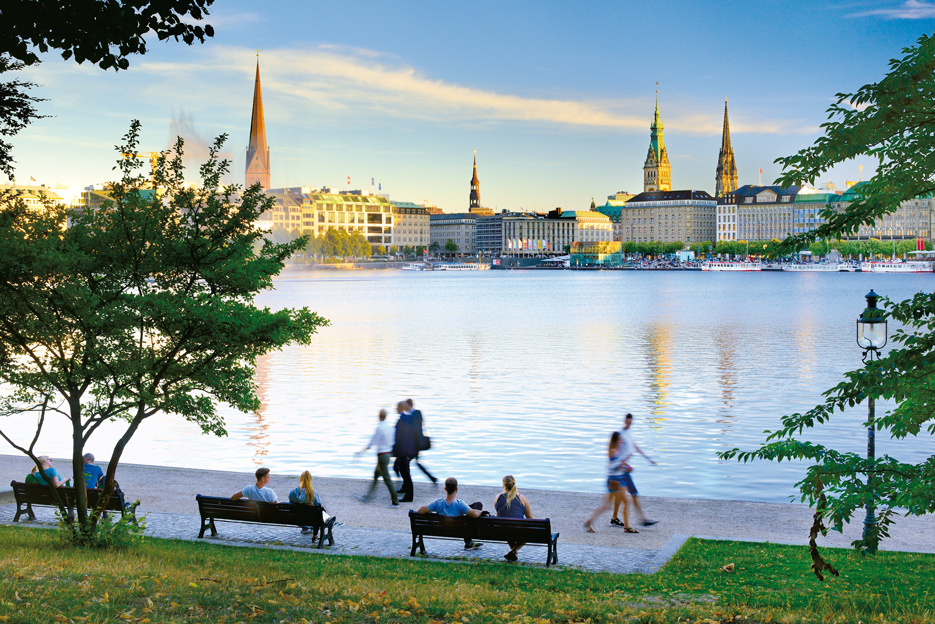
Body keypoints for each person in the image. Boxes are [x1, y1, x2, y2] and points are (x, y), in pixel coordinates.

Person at [584, 432, 637, 533]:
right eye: (619, 440)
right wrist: (624, 465)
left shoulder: (617, 450)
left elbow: (620, 462)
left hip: (618, 479)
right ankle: (627, 527)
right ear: (616, 440)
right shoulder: (612, 451)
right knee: (624, 501)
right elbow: (614, 467)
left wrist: (627, 465)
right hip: (614, 480)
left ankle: (589, 521)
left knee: (608, 505)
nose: (621, 441)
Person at [612, 413, 657, 527]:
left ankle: (615, 518)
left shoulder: (629, 434)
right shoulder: (620, 434)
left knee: (623, 495)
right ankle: (641, 519)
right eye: (628, 422)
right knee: (632, 494)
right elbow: (616, 452)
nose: (629, 424)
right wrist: (622, 464)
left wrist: (647, 458)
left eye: (631, 422)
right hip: (621, 470)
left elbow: (635, 446)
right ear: (624, 421)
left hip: (624, 469)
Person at [417, 476, 483, 549]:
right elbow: (475, 514)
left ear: (445, 489)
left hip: (441, 529)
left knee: (469, 508)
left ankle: (469, 542)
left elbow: (420, 511)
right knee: (478, 505)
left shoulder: (438, 503)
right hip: (460, 530)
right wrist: (481, 512)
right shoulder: (459, 504)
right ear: (456, 489)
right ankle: (468, 541)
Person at [356, 409, 399, 507]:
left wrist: (361, 451)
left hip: (382, 457)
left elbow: (372, 442)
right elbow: (392, 442)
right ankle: (368, 497)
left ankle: (395, 502)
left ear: (379, 416)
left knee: (387, 479)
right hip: (388, 454)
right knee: (376, 475)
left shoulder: (380, 428)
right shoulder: (391, 428)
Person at [494, 475, 534, 561]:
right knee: (529, 531)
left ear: (504, 485)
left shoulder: (498, 497)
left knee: (507, 526)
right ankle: (514, 550)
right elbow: (529, 517)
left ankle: (513, 552)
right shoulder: (522, 498)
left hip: (502, 531)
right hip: (518, 531)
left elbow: (499, 514)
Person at [393, 400, 423, 502]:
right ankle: (405, 488)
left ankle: (409, 496)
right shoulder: (405, 418)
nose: (396, 409)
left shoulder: (408, 418)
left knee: (405, 472)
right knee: (403, 469)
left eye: (397, 407)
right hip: (404, 449)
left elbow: (404, 434)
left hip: (407, 449)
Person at [406, 398, 437, 484]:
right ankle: (431, 477)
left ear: (408, 405)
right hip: (416, 443)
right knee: (415, 462)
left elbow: (415, 430)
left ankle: (406, 483)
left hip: (416, 444)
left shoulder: (414, 414)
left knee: (405, 462)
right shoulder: (417, 413)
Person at [288, 470, 327, 537]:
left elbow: (291, 504)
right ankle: (315, 527)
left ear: (300, 479)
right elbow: (318, 505)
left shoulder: (292, 492)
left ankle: (305, 527)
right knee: (318, 510)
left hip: (296, 518)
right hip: (311, 519)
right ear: (310, 480)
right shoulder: (313, 493)